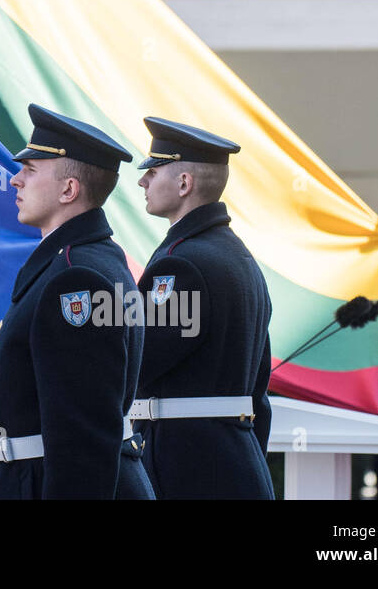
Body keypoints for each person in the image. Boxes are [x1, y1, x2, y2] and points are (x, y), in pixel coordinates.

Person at [0, 105, 153, 500]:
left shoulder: (78, 279)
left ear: (68, 189)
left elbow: (85, 436)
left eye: (30, 169)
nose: (15, 180)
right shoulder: (86, 263)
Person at [133, 117, 274, 499]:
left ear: (184, 183)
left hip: (187, 470)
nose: (143, 181)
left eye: (153, 170)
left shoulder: (181, 265)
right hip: (233, 462)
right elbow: (259, 391)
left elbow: (138, 364)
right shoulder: (238, 257)